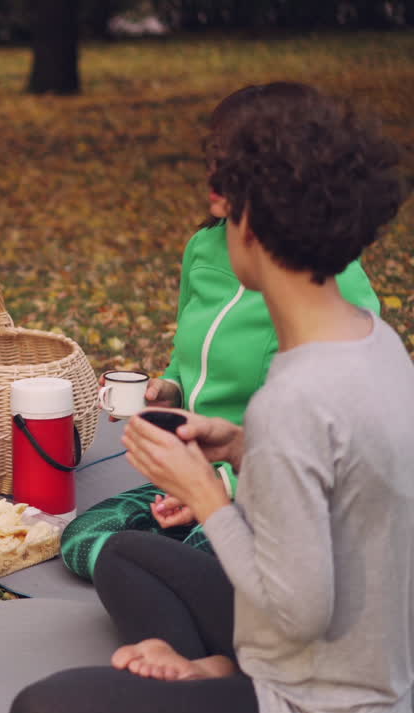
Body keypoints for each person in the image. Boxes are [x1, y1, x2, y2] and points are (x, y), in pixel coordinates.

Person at [10, 84, 412, 713]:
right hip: (345, 645)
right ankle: (210, 667)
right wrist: (239, 447)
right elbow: (339, 474)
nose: (214, 205)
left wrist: (205, 494)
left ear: (249, 219)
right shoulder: (377, 343)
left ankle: (216, 676)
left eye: (223, 191)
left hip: (324, 696)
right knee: (125, 551)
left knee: (42, 707)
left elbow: (299, 614)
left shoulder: (296, 396)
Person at [59, 82, 381, 581]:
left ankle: (179, 582)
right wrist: (169, 388)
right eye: (213, 154)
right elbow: (188, 353)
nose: (213, 173)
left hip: (272, 490)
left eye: (229, 159)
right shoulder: (206, 249)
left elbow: (336, 438)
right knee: (84, 539)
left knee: (198, 559)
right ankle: (166, 577)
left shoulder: (329, 279)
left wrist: (225, 489)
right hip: (194, 471)